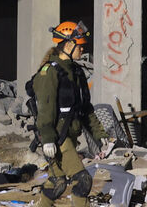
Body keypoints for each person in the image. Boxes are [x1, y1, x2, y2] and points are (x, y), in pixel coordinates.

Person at [30, 20, 110, 207]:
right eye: (80, 46)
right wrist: (48, 138)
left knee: (56, 184)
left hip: (71, 134)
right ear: (68, 44)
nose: (83, 50)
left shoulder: (76, 72)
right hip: (57, 138)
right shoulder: (49, 72)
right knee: (82, 181)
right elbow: (44, 109)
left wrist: (101, 135)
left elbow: (85, 108)